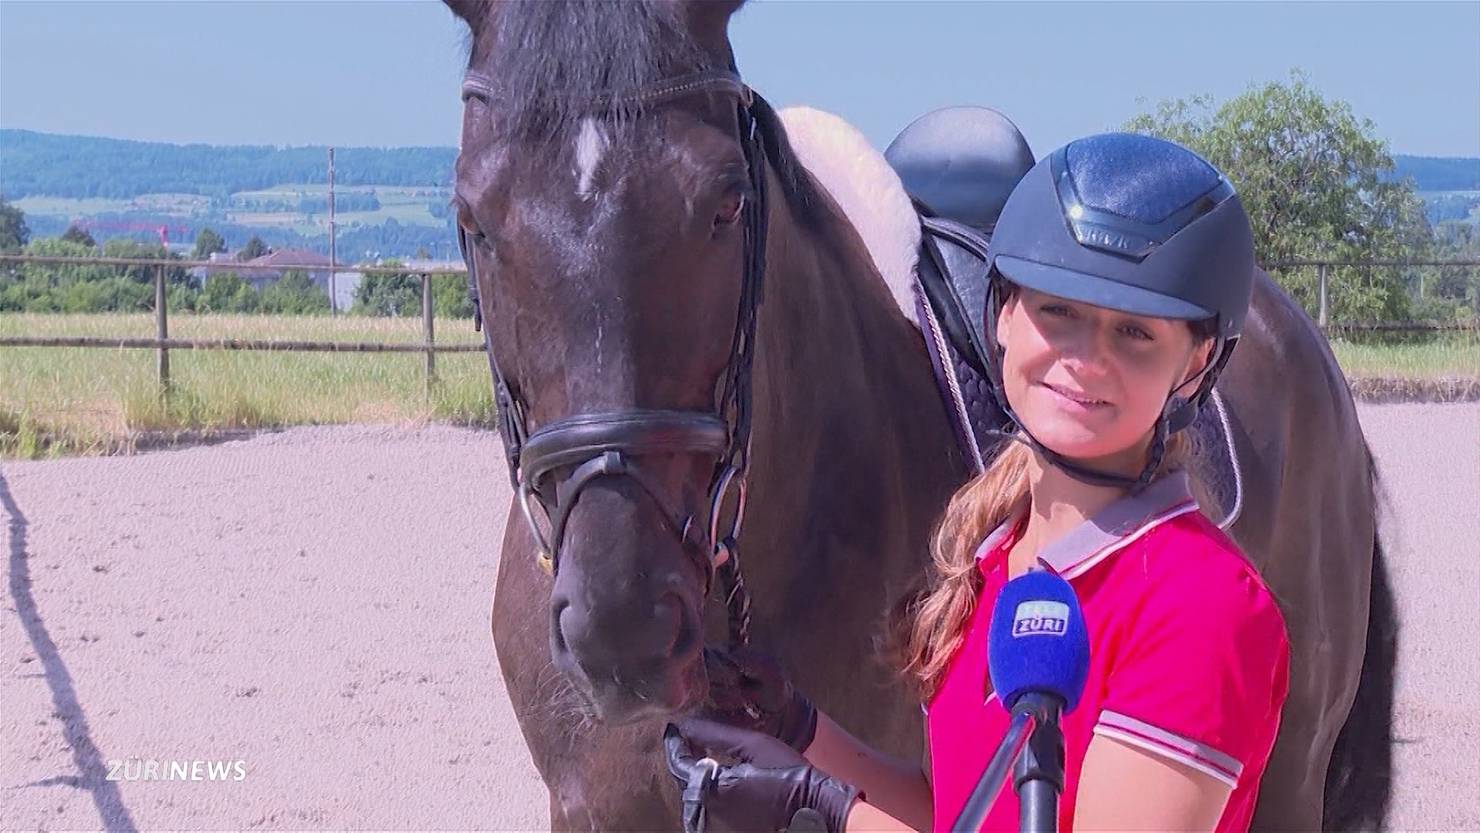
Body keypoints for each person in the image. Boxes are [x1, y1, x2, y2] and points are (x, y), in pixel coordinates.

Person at [665, 132, 1290, 832]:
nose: (1085, 358)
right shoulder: (1000, 556)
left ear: (1198, 362)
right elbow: (963, 814)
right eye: (1059, 310)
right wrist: (804, 732)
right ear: (1003, 313)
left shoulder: (1200, 607)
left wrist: (821, 814)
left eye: (1135, 334)